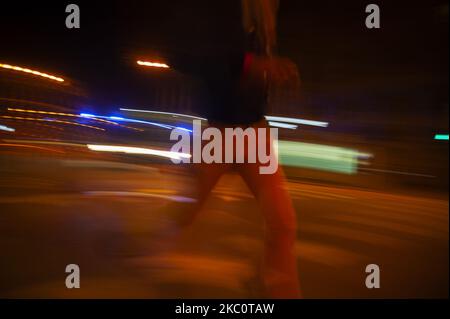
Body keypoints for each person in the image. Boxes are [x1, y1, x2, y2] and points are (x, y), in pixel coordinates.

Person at [119, 0, 301, 298]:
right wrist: (249, 65)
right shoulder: (219, 10)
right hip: (219, 131)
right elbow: (178, 55)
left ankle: (275, 288)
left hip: (255, 131)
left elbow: (251, 70)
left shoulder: (264, 20)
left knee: (283, 223)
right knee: (187, 212)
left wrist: (272, 71)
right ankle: (148, 264)